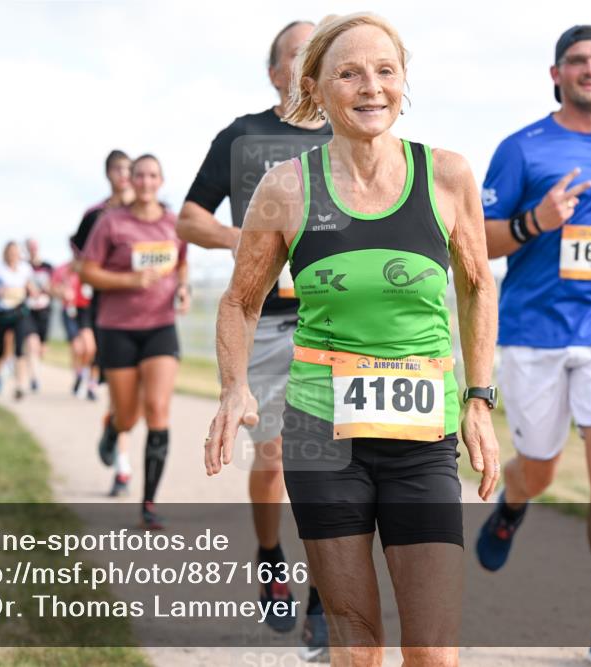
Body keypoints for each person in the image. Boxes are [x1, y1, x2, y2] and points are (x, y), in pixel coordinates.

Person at [205, 13, 500, 666]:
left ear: (403, 82)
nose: (371, 87)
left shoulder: (447, 175)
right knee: (358, 643)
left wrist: (479, 398)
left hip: (423, 436)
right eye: (350, 72)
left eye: (385, 71)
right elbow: (240, 300)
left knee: (434, 651)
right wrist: (234, 387)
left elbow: (479, 286)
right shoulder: (287, 187)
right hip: (321, 432)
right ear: (314, 87)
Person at [476, 25, 591, 667]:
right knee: (542, 468)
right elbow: (482, 241)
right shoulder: (522, 149)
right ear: (556, 74)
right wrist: (537, 222)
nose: (590, 69)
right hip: (534, 334)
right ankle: (514, 501)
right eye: (578, 61)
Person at [176, 18, 333, 648]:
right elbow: (188, 219)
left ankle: (324, 601)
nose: (313, 60)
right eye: (300, 52)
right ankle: (270, 556)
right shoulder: (244, 137)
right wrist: (246, 238)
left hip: (340, 327)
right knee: (272, 460)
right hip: (268, 323)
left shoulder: (354, 135)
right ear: (276, 73)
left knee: (332, 470)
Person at [82, 154, 190, 526]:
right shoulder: (112, 223)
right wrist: (130, 281)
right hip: (117, 327)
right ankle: (113, 429)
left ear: (161, 180)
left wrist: (184, 288)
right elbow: (89, 272)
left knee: (158, 409)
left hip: (160, 326)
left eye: (152, 175)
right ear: (132, 180)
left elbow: (181, 263)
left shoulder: (175, 224)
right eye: (139, 175)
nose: (145, 181)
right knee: (129, 415)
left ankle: (149, 502)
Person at [73, 149, 135, 395]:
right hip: (100, 296)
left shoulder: (145, 211)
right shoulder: (95, 215)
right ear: (108, 174)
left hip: (136, 299)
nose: (123, 175)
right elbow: (78, 260)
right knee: (99, 350)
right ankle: (92, 383)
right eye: (117, 169)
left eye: (128, 169)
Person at [0, 241, 35, 400]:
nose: (13, 255)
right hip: (1, 313)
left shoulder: (25, 269)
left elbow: (31, 286)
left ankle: (20, 385)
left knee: (19, 349)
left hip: (19, 312)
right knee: (1, 349)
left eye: (15, 252)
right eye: (10, 252)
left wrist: (32, 291)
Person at [52, 257, 97, 397]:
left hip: (86, 310)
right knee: (78, 348)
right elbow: (52, 287)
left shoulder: (92, 266)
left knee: (90, 348)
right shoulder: (63, 269)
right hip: (70, 309)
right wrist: (62, 292)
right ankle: (78, 374)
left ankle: (86, 377)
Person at [25, 238, 54, 393]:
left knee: (41, 347)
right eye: (30, 246)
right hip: (28, 311)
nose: (33, 249)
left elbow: (54, 287)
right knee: (31, 343)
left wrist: (48, 288)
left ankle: (37, 370)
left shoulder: (48, 267)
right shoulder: (24, 267)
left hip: (44, 310)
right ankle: (34, 377)